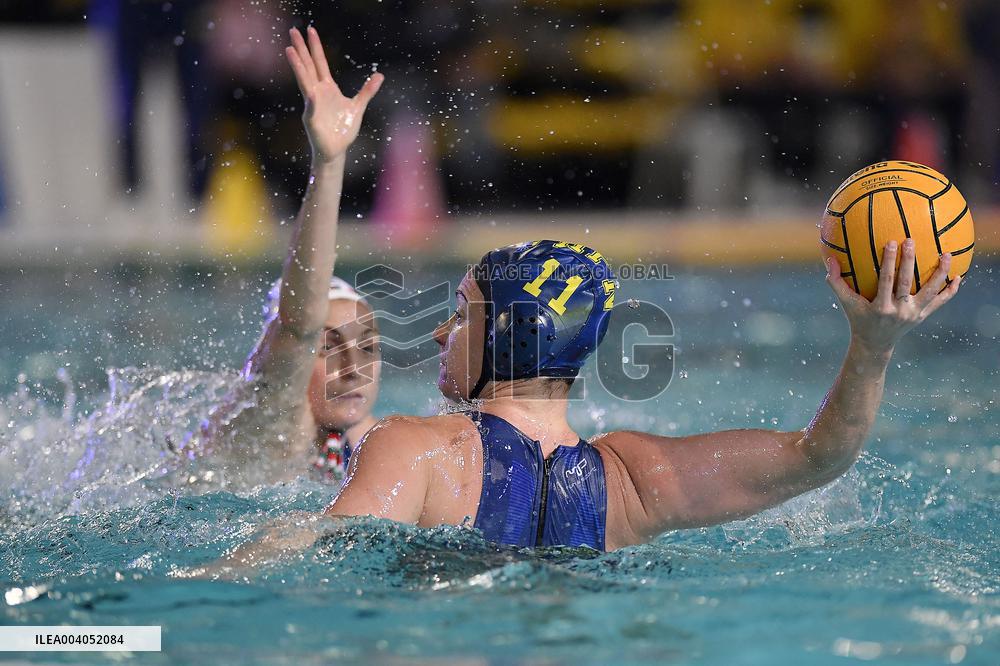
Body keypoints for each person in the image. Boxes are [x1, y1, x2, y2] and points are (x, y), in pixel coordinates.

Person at [196, 28, 962, 573]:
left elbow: (313, 549)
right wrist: (873, 346)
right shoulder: (635, 481)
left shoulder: (415, 450)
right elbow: (818, 456)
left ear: (506, 335)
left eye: (460, 313)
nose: (436, 333)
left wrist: (182, 598)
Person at [190, 26, 384, 485]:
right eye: (327, 348)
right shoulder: (270, 424)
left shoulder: (370, 438)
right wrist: (329, 163)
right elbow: (298, 324)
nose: (354, 370)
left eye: (368, 348)